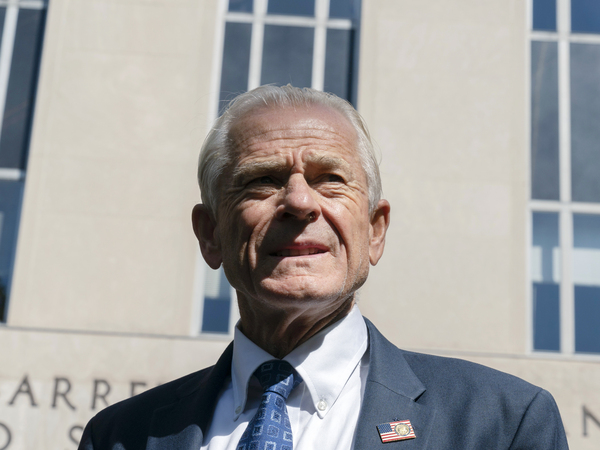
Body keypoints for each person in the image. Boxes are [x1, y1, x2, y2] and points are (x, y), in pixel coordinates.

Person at [79, 85, 568, 449]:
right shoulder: (120, 436)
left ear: (375, 231)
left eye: (329, 179)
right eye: (262, 181)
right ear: (211, 235)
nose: (299, 201)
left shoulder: (502, 424)